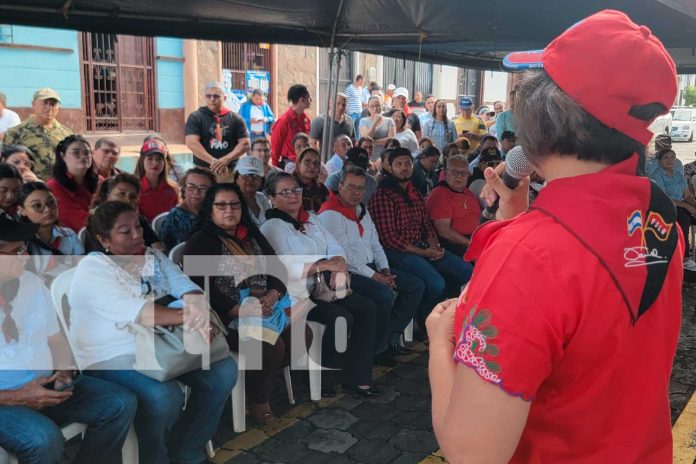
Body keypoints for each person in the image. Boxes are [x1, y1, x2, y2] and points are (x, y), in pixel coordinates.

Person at [427, 10, 681, 463]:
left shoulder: (528, 254)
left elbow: (471, 452)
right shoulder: (660, 218)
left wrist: (437, 341)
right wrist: (519, 217)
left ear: (538, 117)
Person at [70, 200, 238, 464]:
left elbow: (187, 286)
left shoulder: (152, 257)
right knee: (163, 396)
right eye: (125, 232)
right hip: (111, 355)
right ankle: (155, 458)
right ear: (104, 240)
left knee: (223, 372)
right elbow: (137, 311)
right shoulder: (94, 268)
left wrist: (196, 308)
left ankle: (187, 451)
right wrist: (190, 318)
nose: (137, 235)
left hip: (162, 344)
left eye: (138, 226)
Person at [0, 215, 137, 464]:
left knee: (119, 403)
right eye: (16, 251)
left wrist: (64, 368)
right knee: (43, 440)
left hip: (46, 384)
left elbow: (56, 339)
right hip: (5, 400)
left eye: (25, 247)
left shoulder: (30, 283)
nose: (26, 255)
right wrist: (17, 396)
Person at [184, 182, 309, 422]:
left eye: (234, 204)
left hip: (264, 308)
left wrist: (273, 295)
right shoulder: (202, 241)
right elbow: (199, 287)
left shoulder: (251, 235)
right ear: (210, 210)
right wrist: (239, 310)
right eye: (221, 205)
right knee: (271, 347)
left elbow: (277, 271)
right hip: (226, 319)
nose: (228, 210)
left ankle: (259, 379)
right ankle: (258, 399)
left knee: (302, 336)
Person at [260, 173, 381, 397]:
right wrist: (325, 265)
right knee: (340, 318)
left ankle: (358, 377)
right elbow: (287, 267)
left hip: (322, 288)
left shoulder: (312, 219)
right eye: (284, 192)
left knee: (367, 306)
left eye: (295, 190)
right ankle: (316, 376)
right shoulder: (272, 227)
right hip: (295, 295)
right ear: (271, 198)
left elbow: (335, 247)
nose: (293, 196)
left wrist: (339, 267)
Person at [318, 166, 425, 363]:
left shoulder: (362, 211)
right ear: (340, 187)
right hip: (347, 273)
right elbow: (346, 256)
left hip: (371, 268)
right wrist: (376, 277)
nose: (356, 192)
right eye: (351, 186)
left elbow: (375, 243)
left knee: (415, 285)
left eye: (360, 188)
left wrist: (385, 270)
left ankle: (389, 336)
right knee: (382, 294)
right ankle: (377, 349)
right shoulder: (330, 214)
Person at [368, 148, 473, 328]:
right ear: (389, 167)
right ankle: (424, 319)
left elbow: (426, 224)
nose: (404, 168)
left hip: (422, 246)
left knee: (465, 271)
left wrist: (433, 245)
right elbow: (390, 239)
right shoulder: (383, 195)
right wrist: (425, 252)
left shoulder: (414, 192)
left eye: (407, 164)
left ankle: (430, 314)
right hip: (397, 252)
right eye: (399, 164)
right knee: (435, 283)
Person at [18, 181, 84, 280]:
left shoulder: (69, 235)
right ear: (22, 210)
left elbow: (81, 269)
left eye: (51, 202)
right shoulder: (21, 244)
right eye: (37, 206)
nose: (47, 209)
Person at [86, 173, 166, 253]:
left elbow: (158, 247)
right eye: (121, 194)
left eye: (132, 196)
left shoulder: (138, 219)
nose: (127, 200)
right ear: (107, 196)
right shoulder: (97, 225)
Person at [4, 88, 73, 178]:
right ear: (33, 104)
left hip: (59, 187)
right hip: (29, 188)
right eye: (44, 103)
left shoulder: (67, 134)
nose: (49, 107)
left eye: (53, 104)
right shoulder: (16, 133)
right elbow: (5, 164)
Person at [185, 81, 250, 177]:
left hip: (229, 172)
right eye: (208, 96)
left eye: (216, 96)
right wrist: (214, 162)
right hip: (203, 171)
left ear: (224, 98)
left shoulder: (236, 119)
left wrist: (226, 160)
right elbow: (192, 143)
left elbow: (245, 143)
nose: (212, 99)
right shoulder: (196, 117)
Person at [648, 148, 696, 269]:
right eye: (666, 157)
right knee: (684, 220)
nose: (670, 160)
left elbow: (687, 195)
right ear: (659, 161)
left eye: (673, 157)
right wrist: (687, 206)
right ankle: (685, 258)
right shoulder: (657, 175)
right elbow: (664, 198)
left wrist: (694, 205)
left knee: (688, 215)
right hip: (665, 207)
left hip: (682, 204)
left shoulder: (678, 174)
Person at [426, 155, 480, 256]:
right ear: (446, 173)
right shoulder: (440, 194)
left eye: (463, 173)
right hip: (454, 245)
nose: (459, 176)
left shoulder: (469, 193)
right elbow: (444, 232)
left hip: (474, 239)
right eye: (455, 172)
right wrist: (473, 244)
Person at [46, 135, 98, 232]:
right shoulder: (54, 186)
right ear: (62, 156)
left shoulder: (100, 181)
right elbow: (81, 222)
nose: (83, 157)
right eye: (76, 153)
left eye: (87, 153)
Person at [160, 167, 216, 250]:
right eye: (191, 186)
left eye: (203, 188)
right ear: (184, 188)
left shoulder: (212, 210)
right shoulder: (176, 218)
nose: (196, 192)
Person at [134, 137, 179, 222]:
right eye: (150, 159)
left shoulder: (172, 188)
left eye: (159, 159)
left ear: (164, 163)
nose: (155, 163)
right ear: (142, 161)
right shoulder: (135, 189)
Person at [271, 84, 312, 169]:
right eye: (308, 98)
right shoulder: (284, 121)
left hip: (305, 162)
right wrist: (275, 169)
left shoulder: (306, 119)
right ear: (302, 100)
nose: (310, 100)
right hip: (289, 164)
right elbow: (275, 147)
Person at [234, 156, 271, 226]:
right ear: (237, 179)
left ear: (261, 180)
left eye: (255, 176)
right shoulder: (232, 201)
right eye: (246, 175)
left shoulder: (262, 198)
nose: (250, 179)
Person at [293, 147, 329, 213]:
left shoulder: (322, 189)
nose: (312, 166)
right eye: (307, 161)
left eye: (316, 163)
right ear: (298, 164)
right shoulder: (290, 186)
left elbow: (328, 211)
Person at [359, 96, 395, 160]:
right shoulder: (363, 121)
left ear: (382, 106)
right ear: (368, 108)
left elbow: (391, 140)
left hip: (385, 157)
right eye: (372, 106)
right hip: (368, 157)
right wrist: (375, 122)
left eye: (378, 105)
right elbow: (366, 139)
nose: (375, 109)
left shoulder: (389, 121)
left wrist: (373, 142)